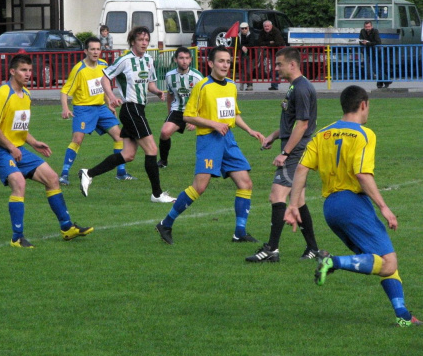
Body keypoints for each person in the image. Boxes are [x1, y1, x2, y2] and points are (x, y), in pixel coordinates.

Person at [284, 85, 421, 327]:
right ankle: (332, 261)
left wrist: (293, 204)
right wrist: (384, 207)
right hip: (352, 204)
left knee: (384, 259)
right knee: (388, 262)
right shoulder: (364, 134)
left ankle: (402, 316)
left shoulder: (322, 134)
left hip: (331, 208)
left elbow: (302, 168)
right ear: (363, 105)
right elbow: (362, 175)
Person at [155, 46, 264, 245]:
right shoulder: (202, 86)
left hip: (228, 140)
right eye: (221, 61)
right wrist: (213, 124)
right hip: (209, 141)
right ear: (211, 63)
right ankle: (166, 223)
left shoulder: (231, 86)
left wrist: (250, 130)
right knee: (200, 187)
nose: (225, 65)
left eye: (228, 61)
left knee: (245, 183)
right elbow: (187, 115)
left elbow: (234, 113)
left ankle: (239, 232)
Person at [0, 54, 94, 248]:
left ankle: (67, 228)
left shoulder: (26, 95)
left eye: (29, 70)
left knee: (52, 178)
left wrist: (34, 143)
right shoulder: (3, 93)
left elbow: (19, 128)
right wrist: (11, 148)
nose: (28, 74)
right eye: (23, 70)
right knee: (19, 183)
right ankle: (17, 237)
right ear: (12, 71)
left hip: (17, 148)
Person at [78, 26, 176, 204]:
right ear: (132, 41)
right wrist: (111, 96)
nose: (144, 43)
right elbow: (105, 78)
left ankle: (88, 173)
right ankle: (157, 194)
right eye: (141, 40)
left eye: (146, 40)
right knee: (152, 150)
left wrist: (158, 92)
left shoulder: (148, 60)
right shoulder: (125, 60)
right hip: (131, 109)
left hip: (139, 109)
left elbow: (150, 84)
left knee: (128, 154)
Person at [246, 47, 319, 263]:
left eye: (279, 64)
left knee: (277, 196)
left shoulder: (301, 89)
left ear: (292, 64)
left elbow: (303, 124)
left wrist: (285, 153)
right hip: (294, 149)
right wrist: (273, 136)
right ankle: (313, 248)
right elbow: (291, 122)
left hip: (296, 152)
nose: (276, 68)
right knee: (300, 200)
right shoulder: (295, 87)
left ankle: (272, 249)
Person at [58, 37, 136, 186]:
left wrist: (110, 105)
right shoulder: (79, 69)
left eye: (98, 49)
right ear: (85, 51)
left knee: (119, 137)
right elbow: (65, 91)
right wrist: (65, 108)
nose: (95, 52)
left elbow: (104, 89)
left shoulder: (103, 65)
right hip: (83, 109)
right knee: (77, 140)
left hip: (101, 108)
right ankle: (64, 174)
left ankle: (121, 172)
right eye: (92, 49)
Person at [157, 46, 203, 169]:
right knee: (164, 133)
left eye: (187, 58)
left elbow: (203, 99)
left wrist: (196, 118)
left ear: (190, 60)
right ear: (176, 59)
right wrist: (169, 114)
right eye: (181, 58)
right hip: (178, 110)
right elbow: (170, 95)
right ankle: (163, 161)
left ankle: (212, 160)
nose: (184, 61)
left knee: (208, 134)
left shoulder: (198, 77)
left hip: (195, 111)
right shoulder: (169, 76)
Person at [359, 20, 391, 89]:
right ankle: (384, 82)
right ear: (364, 27)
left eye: (369, 26)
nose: (367, 28)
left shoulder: (375, 31)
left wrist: (368, 43)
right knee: (375, 68)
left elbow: (378, 42)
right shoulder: (362, 31)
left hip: (377, 52)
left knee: (378, 67)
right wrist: (363, 43)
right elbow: (360, 41)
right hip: (369, 52)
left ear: (371, 26)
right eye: (366, 27)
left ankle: (384, 82)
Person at [257, 20, 285, 91]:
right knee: (273, 67)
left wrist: (266, 45)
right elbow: (259, 42)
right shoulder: (262, 32)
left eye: (268, 26)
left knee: (280, 66)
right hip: (271, 52)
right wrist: (270, 42)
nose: (266, 28)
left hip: (279, 52)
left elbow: (278, 43)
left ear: (271, 26)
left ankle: (278, 79)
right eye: (265, 26)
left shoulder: (276, 31)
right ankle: (274, 85)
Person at [238, 22, 255, 91]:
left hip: (251, 55)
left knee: (248, 70)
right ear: (240, 29)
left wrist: (245, 47)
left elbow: (252, 43)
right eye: (242, 28)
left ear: (248, 28)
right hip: (242, 55)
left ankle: (249, 84)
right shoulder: (238, 35)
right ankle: (242, 84)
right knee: (242, 70)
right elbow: (234, 44)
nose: (244, 30)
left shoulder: (251, 34)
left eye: (245, 28)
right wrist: (242, 47)